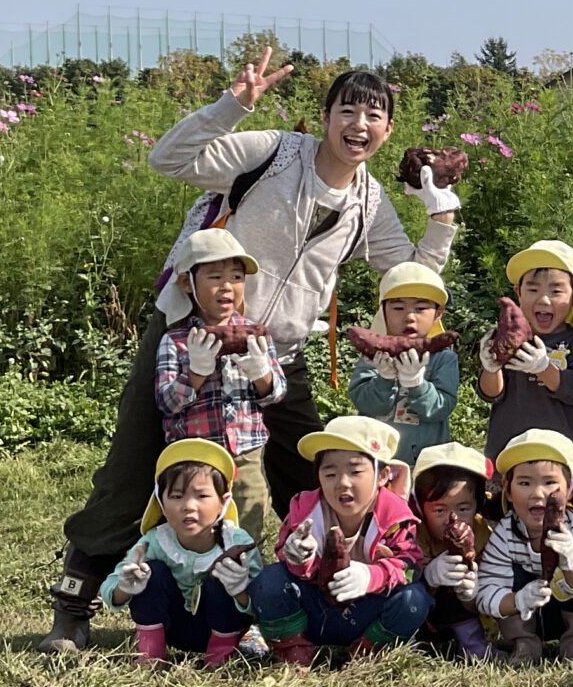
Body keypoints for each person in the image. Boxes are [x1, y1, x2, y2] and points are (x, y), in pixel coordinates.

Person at [44, 52, 459, 653]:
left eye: (375, 115)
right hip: (193, 335)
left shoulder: (369, 203)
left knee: (315, 465)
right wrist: (233, 104)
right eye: (348, 109)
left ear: (389, 130)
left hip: (277, 354)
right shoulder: (271, 153)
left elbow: (408, 280)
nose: (360, 124)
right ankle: (74, 602)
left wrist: (441, 218)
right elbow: (168, 159)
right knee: (136, 464)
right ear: (324, 116)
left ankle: (297, 603)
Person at [247, 416, 429, 665]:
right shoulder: (305, 510)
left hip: (367, 612)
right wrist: (300, 557)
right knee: (268, 581)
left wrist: (370, 576)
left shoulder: (396, 517)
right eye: (330, 473)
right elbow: (287, 558)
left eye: (355, 471)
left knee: (415, 599)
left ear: (383, 475)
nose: (342, 482)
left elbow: (411, 567)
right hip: (315, 611)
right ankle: (292, 649)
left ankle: (369, 651)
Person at [149, 228, 286, 550]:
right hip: (193, 459)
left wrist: (260, 372)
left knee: (247, 528)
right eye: (214, 276)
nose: (227, 286)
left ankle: (241, 590)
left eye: (236, 277)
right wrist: (195, 372)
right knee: (196, 533)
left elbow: (276, 392)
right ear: (187, 283)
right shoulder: (177, 341)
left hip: (246, 456)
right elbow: (167, 402)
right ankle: (196, 585)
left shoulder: (255, 335)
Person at [94, 439, 261, 667]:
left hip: (222, 626)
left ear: (223, 502)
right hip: (172, 627)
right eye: (176, 496)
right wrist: (125, 587)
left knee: (222, 576)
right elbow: (109, 590)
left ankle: (220, 657)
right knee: (152, 571)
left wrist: (240, 590)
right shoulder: (154, 541)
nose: (188, 506)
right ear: (161, 502)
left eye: (201, 496)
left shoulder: (237, 543)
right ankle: (150, 654)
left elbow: (261, 604)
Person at [472, 429, 573, 664]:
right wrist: (517, 600)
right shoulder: (505, 533)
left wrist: (572, 567)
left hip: (566, 612)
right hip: (529, 615)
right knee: (511, 575)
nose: (537, 493)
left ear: (569, 489)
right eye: (524, 483)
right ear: (509, 490)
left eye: (550, 483)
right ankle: (524, 643)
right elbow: (485, 593)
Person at [478, 242, 573, 456]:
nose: (543, 299)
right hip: (506, 451)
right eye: (533, 289)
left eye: (556, 291)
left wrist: (543, 367)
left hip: (557, 455)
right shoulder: (507, 338)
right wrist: (491, 367)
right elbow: (491, 394)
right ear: (518, 293)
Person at [347, 263, 462, 476]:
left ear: (438, 313)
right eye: (398, 308)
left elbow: (441, 408)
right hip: (375, 461)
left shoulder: (444, 358)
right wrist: (384, 378)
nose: (409, 316)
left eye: (421, 308)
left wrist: (416, 384)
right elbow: (364, 403)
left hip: (425, 466)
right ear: (383, 311)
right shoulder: (374, 356)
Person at [408, 443, 498, 660]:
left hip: (462, 614)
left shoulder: (482, 534)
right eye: (439, 510)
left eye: (463, 508)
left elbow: (490, 587)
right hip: (420, 614)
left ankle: (472, 645)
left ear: (477, 505)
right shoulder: (413, 533)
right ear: (420, 507)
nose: (453, 518)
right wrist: (428, 578)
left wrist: (472, 592)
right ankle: (406, 642)